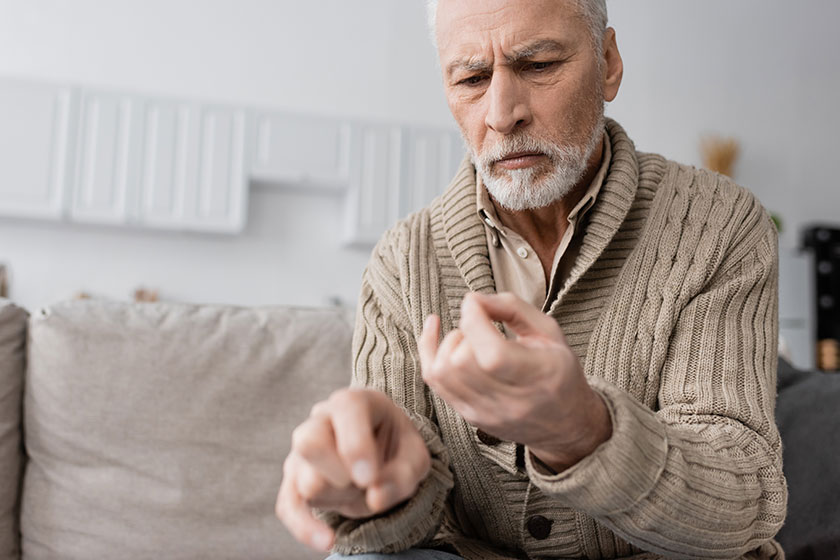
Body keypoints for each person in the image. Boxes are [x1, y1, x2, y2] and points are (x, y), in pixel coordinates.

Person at [275, 0, 788, 558]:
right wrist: (372, 488)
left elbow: (743, 500)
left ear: (608, 63)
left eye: (539, 65)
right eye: (471, 79)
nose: (502, 114)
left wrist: (583, 431)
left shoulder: (719, 222)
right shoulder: (402, 261)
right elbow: (405, 526)